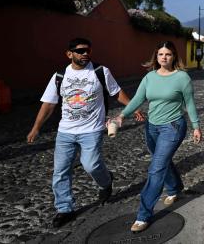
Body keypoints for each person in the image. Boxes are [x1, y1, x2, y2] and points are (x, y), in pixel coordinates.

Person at [27, 37, 143, 228]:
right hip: (65, 131)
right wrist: (36, 127)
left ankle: (106, 181)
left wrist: (133, 107)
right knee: (60, 171)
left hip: (92, 129)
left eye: (88, 50)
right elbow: (48, 104)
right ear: (69, 54)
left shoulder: (100, 71)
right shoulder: (60, 75)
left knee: (91, 165)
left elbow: (116, 92)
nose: (85, 54)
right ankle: (64, 208)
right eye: (80, 51)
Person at [115, 41, 202, 233]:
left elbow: (189, 103)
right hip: (152, 127)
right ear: (156, 57)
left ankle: (143, 215)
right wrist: (121, 116)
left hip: (173, 127)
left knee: (156, 168)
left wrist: (196, 126)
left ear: (174, 57)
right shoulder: (149, 77)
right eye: (161, 54)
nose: (164, 57)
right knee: (162, 161)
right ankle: (174, 189)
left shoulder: (182, 78)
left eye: (168, 54)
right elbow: (138, 99)